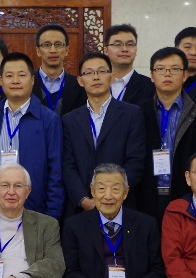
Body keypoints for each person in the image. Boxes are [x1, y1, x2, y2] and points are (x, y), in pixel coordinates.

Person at [139, 47, 196, 223]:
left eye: (174, 69)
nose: (167, 74)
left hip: (186, 198)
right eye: (160, 69)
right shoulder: (139, 112)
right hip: (144, 198)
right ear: (152, 75)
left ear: (185, 75)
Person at [62, 52, 147, 216]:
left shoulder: (132, 114)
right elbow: (68, 165)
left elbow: (135, 161)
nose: (96, 77)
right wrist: (83, 199)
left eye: (101, 71)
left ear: (112, 77)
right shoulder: (70, 119)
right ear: (80, 81)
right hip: (82, 209)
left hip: (121, 205)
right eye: (89, 72)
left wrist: (113, 195)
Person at [0, 53, 63, 220]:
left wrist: (52, 216)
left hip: (35, 208)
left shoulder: (49, 120)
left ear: (32, 80)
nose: (15, 81)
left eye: (21, 75)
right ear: (1, 80)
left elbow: (55, 171)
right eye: (9, 76)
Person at [32, 24, 87, 115]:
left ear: (66, 50)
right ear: (38, 51)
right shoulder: (27, 83)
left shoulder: (80, 85)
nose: (53, 50)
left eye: (58, 45)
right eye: (47, 45)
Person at [104, 24, 154, 110]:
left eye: (130, 44)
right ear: (106, 51)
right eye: (117, 44)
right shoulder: (95, 84)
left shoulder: (151, 86)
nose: (124, 49)